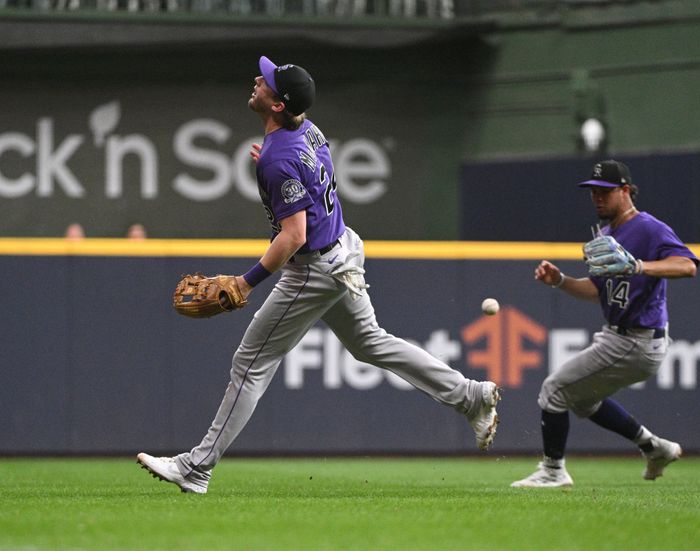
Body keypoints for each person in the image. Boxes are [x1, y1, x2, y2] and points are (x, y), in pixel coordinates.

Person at [137, 55, 500, 494]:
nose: (258, 80)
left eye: (267, 82)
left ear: (276, 106)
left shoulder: (278, 157)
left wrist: (244, 282)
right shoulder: (306, 131)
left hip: (315, 267)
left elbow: (292, 235)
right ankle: (471, 397)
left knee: (250, 364)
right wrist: (279, 158)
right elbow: (305, 143)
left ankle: (197, 467)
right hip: (342, 248)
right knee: (371, 343)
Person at [511, 160, 699, 488]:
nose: (597, 198)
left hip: (636, 339)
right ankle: (654, 448)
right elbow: (595, 291)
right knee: (582, 400)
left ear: (625, 191)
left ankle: (553, 471)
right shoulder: (608, 234)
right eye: (593, 192)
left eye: (605, 192)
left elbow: (687, 265)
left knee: (553, 390)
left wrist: (640, 266)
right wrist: (560, 281)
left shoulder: (649, 228)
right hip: (617, 336)